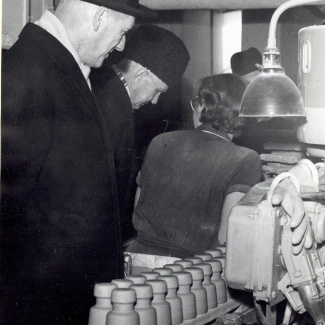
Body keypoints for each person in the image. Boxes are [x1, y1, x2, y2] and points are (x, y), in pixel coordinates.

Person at [1, 0, 156, 324]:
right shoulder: (27, 72)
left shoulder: (65, 71)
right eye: (123, 32)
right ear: (100, 17)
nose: (122, 45)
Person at [126, 73, 263, 258]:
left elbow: (138, 207)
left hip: (136, 262)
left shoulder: (160, 141)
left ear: (202, 107)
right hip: (191, 273)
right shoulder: (246, 158)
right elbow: (228, 236)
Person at [90, 24, 190, 242]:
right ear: (140, 75)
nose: (154, 101)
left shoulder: (102, 92)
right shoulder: (115, 110)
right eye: (156, 91)